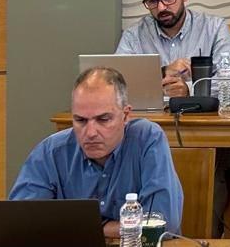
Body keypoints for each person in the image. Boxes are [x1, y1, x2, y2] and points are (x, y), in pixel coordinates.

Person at [10, 67, 183, 235]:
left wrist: (83, 228)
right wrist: (112, 228)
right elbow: (20, 222)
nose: (91, 133)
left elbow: (161, 223)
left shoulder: (147, 139)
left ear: (125, 115)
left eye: (103, 119)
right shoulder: (52, 151)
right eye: (80, 120)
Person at [116, 0, 230, 97]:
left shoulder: (214, 28)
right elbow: (115, 83)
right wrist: (162, 72)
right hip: (153, 111)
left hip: (200, 110)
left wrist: (190, 90)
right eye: (152, 1)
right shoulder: (134, 36)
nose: (161, 7)